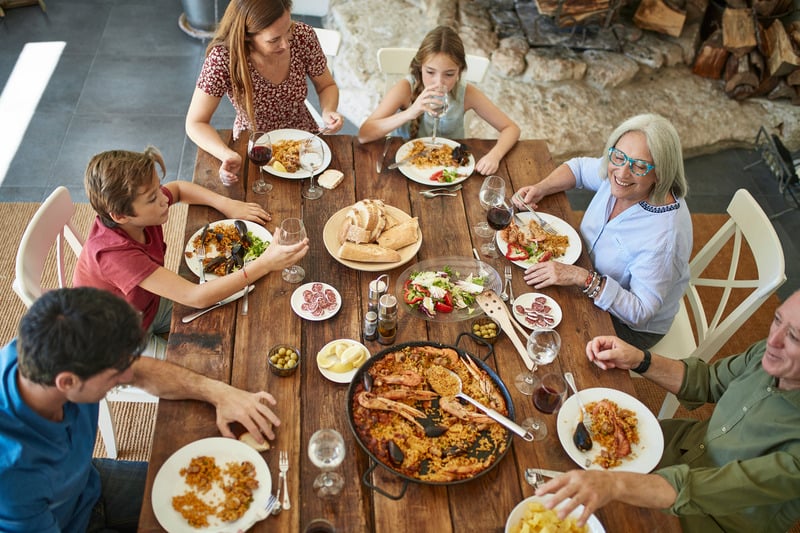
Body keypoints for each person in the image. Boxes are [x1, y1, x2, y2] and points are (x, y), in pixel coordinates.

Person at [0, 287, 282, 531]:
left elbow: (141, 371)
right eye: (116, 373)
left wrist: (218, 392)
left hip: (87, 482)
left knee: (237, 499)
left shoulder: (47, 346)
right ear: (67, 382)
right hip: (60, 523)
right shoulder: (13, 474)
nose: (128, 376)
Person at [536, 289, 800, 532]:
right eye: (777, 320)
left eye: (795, 337)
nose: (773, 340)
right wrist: (639, 359)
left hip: (708, 518)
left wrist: (614, 484)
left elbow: (711, 488)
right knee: (546, 462)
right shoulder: (766, 353)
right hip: (672, 447)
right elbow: (707, 381)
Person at [73, 146, 309, 358]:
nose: (163, 199)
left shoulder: (136, 212)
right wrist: (265, 264)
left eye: (158, 188)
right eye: (153, 197)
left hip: (146, 305)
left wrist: (225, 204)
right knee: (197, 368)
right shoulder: (113, 254)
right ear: (120, 216)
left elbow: (178, 188)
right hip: (117, 340)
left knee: (231, 317)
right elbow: (195, 297)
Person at [513, 113, 692, 349]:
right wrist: (540, 188)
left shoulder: (663, 238)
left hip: (625, 325)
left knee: (541, 341)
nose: (622, 172)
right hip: (583, 272)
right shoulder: (618, 171)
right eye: (618, 156)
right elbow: (576, 168)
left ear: (660, 173)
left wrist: (580, 277)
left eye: (639, 166)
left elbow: (640, 312)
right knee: (517, 291)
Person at [186, 0, 344, 185]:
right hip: (252, 145)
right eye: (274, 39)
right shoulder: (224, 58)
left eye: (288, 30)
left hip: (304, 140)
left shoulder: (302, 36)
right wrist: (226, 154)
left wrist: (328, 111)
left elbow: (327, 86)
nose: (286, 44)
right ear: (247, 36)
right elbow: (195, 123)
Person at [357, 25, 519, 176]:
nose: (439, 82)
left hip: (448, 169)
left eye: (448, 74)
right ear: (420, 67)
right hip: (406, 168)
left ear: (459, 72)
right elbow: (364, 134)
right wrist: (409, 113)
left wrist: (495, 155)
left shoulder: (467, 93)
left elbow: (511, 128)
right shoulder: (405, 88)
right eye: (430, 72)